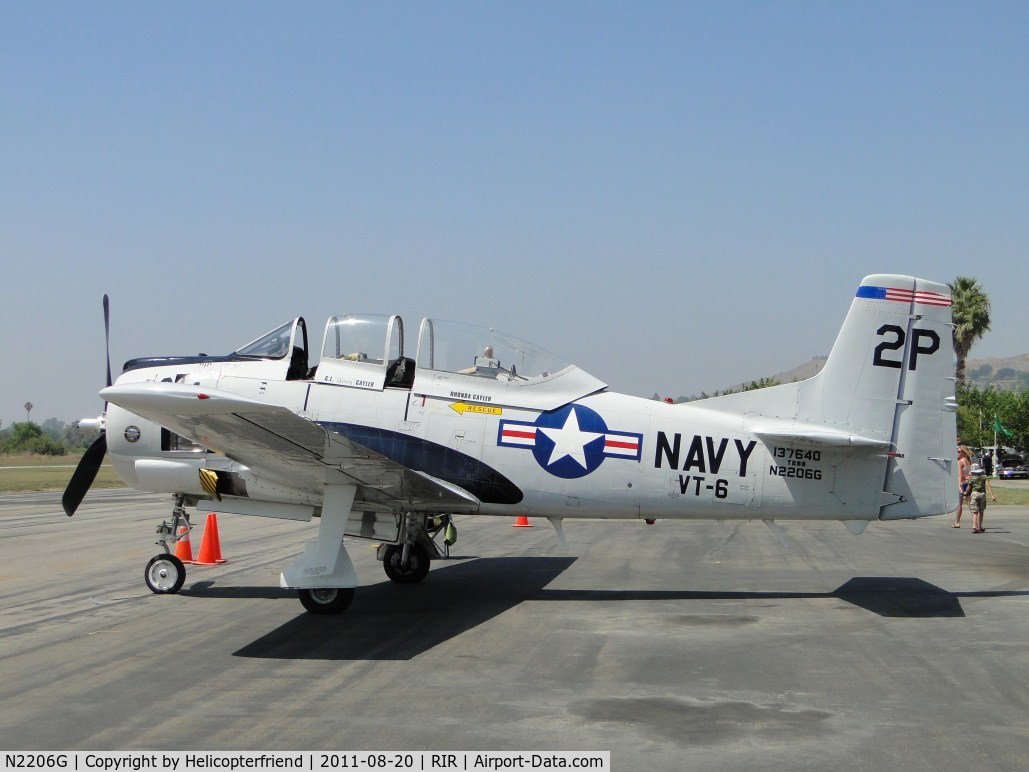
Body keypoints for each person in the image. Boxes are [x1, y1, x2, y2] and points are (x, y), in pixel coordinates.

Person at [967, 463, 996, 533]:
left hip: (974, 494)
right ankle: (979, 526)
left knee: (974, 511)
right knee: (981, 510)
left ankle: (974, 525)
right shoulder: (984, 477)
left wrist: (965, 492)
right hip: (982, 494)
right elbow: (988, 486)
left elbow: (969, 487)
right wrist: (992, 495)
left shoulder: (971, 477)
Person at [953, 446, 972, 527]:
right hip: (969, 483)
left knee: (959, 504)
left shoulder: (960, 462)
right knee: (970, 503)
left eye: (959, 451)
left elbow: (959, 475)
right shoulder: (969, 461)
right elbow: (970, 474)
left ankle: (957, 522)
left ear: (963, 453)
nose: (957, 453)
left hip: (963, 483)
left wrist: (959, 486)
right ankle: (976, 520)